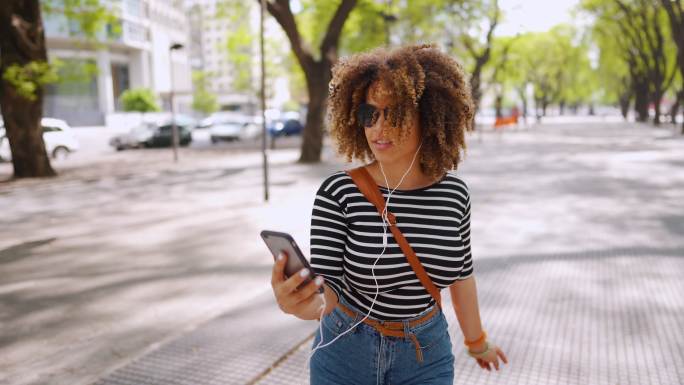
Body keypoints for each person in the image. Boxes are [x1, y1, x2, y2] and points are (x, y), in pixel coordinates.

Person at [270, 44, 508, 384]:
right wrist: (298, 304)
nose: (379, 127)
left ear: (428, 115)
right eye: (370, 114)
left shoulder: (454, 194)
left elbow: (461, 275)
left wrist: (477, 342)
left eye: (393, 113)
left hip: (425, 354)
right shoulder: (339, 193)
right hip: (344, 352)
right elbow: (328, 293)